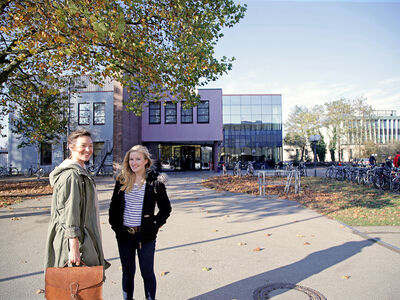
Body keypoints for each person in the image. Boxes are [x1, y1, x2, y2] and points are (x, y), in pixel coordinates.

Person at [109, 145, 171, 300]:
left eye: (138, 159)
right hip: (124, 236)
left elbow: (166, 208)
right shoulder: (122, 180)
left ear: (146, 161)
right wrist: (117, 228)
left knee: (147, 273)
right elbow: (113, 208)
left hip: (146, 237)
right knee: (128, 273)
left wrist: (155, 225)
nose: (133, 162)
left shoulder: (155, 182)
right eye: (131, 159)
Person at [45, 129, 110, 273]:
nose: (88, 150)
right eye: (83, 145)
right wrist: (74, 246)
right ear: (71, 146)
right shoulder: (71, 175)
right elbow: (69, 211)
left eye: (91, 146)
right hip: (76, 242)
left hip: (83, 237)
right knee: (77, 288)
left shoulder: (81, 172)